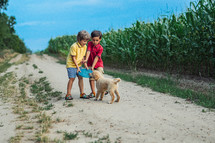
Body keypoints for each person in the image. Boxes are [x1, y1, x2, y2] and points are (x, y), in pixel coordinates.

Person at [65, 30, 90, 100]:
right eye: (84, 41)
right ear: (79, 39)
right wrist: (77, 67)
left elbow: (83, 57)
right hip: (71, 64)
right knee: (72, 78)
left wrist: (85, 66)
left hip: (79, 64)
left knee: (80, 78)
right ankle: (68, 94)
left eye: (86, 41)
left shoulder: (84, 46)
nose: (85, 43)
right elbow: (73, 58)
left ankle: (82, 93)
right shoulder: (74, 46)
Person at [84, 30, 105, 98]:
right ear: (91, 38)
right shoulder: (90, 43)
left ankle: (103, 89)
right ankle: (93, 92)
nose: (95, 42)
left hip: (98, 64)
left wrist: (93, 67)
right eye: (93, 40)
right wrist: (86, 60)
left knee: (100, 77)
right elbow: (88, 51)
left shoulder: (100, 48)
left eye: (97, 40)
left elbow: (96, 58)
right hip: (90, 63)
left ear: (100, 39)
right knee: (91, 78)